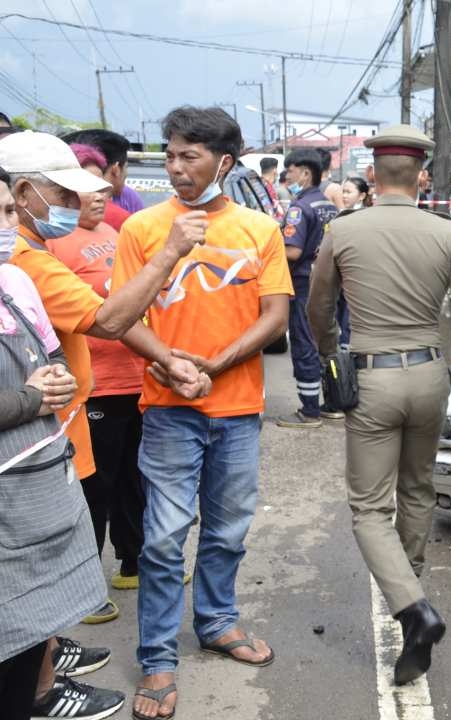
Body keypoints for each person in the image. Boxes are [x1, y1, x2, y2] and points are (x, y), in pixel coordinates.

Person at [0, 130, 204, 720]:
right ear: (25, 190)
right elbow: (109, 317)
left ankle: (46, 662)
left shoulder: (34, 260)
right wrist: (168, 254)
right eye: (60, 195)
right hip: (31, 453)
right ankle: (40, 687)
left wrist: (166, 358)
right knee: (38, 574)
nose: (73, 206)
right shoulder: (24, 260)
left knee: (57, 563)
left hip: (56, 440)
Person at [111, 106, 290, 720]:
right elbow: (122, 315)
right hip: (166, 409)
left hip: (238, 408)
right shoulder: (142, 229)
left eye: (189, 155)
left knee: (228, 528)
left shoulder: (258, 231)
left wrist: (212, 366)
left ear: (225, 162)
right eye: (170, 154)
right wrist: (168, 363)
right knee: (162, 539)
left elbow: (275, 316)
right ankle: (158, 657)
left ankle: (216, 621)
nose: (176, 166)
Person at [306, 124, 451, 687]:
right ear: (420, 177)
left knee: (368, 507)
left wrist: (326, 355)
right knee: (418, 491)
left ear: (372, 174)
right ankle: (413, 594)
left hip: (373, 380)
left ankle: (413, 609)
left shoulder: (344, 230)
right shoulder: (449, 234)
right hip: (431, 377)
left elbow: (319, 308)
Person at [0, 167, 124, 720]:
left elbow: (48, 353)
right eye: (5, 215)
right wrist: (30, 399)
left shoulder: (16, 280)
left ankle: (42, 680)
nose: (13, 228)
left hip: (39, 475)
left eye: (9, 212)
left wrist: (55, 378)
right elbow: (109, 319)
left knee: (30, 623)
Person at [48, 144, 149, 601]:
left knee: (134, 476)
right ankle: (88, 589)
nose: (94, 197)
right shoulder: (49, 246)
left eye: (100, 187)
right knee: (95, 486)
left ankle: (133, 561)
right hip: (94, 389)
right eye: (81, 188)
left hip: (135, 379)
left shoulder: (117, 231)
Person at [277, 148, 340, 428]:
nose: (285, 177)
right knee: (326, 343)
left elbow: (292, 251)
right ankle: (333, 402)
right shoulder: (328, 206)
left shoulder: (299, 209)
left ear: (304, 173)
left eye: (289, 171)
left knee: (303, 344)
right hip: (327, 282)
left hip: (302, 285)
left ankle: (309, 410)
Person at [60, 129, 134, 231]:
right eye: (86, 187)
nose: (100, 197)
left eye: (99, 187)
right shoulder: (51, 236)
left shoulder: (109, 230)